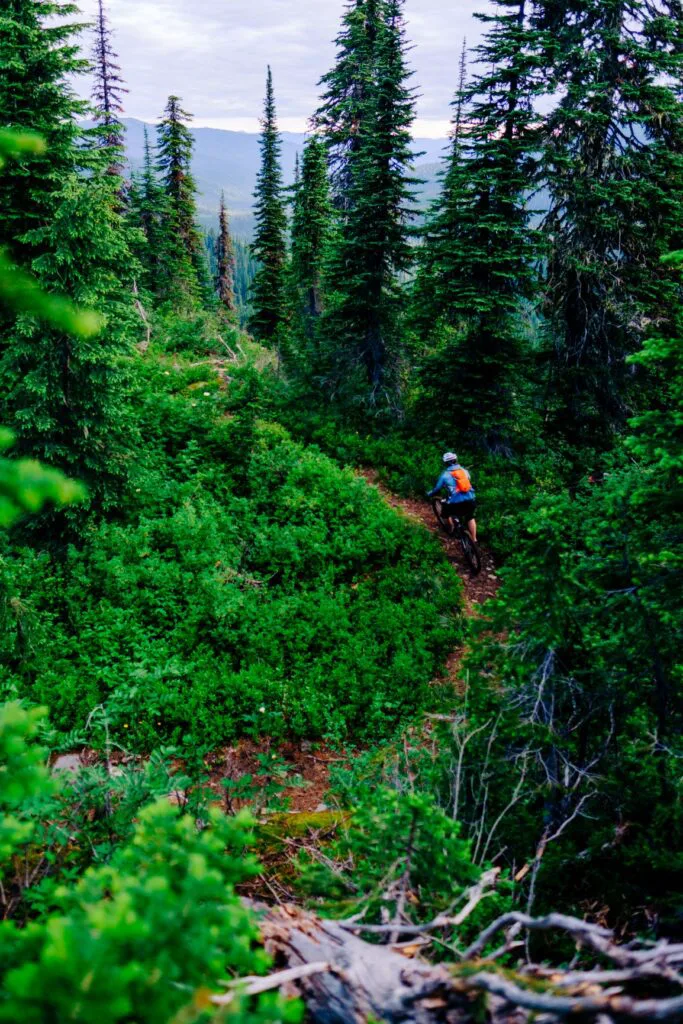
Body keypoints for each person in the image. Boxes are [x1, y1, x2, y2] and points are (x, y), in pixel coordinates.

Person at [427, 452, 478, 543]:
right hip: (471, 500)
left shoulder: (444, 475)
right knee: (470, 517)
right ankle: (474, 539)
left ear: (445, 463)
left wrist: (430, 493)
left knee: (446, 510)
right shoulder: (464, 471)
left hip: (455, 503)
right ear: (456, 460)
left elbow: (437, 488)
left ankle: (452, 527)